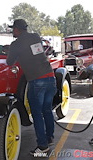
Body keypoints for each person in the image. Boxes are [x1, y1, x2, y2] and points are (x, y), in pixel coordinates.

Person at [6, 19, 57, 155]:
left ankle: (42, 146)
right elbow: (33, 51)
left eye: (13, 29)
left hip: (37, 80)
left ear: (17, 29)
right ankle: (49, 138)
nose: (12, 32)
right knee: (47, 110)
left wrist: (10, 50)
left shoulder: (15, 44)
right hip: (50, 77)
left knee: (37, 114)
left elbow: (9, 61)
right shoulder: (35, 37)